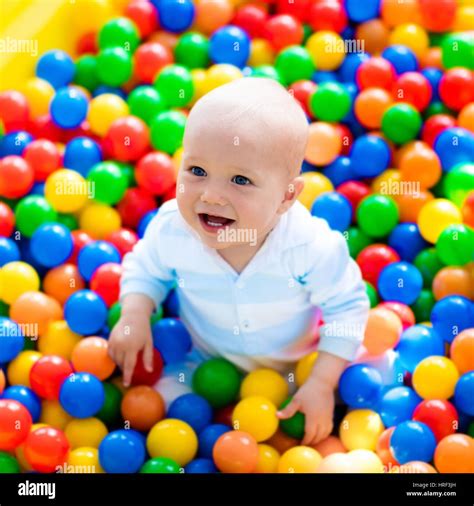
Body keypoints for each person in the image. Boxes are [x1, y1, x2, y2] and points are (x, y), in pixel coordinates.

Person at [109, 77, 370, 446]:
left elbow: (348, 309)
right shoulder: (174, 229)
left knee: (370, 386)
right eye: (196, 171)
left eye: (240, 180)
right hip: (202, 362)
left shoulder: (308, 246)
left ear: (286, 196)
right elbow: (145, 268)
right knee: (152, 409)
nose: (212, 196)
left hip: (299, 367)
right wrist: (135, 313)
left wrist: (322, 383)